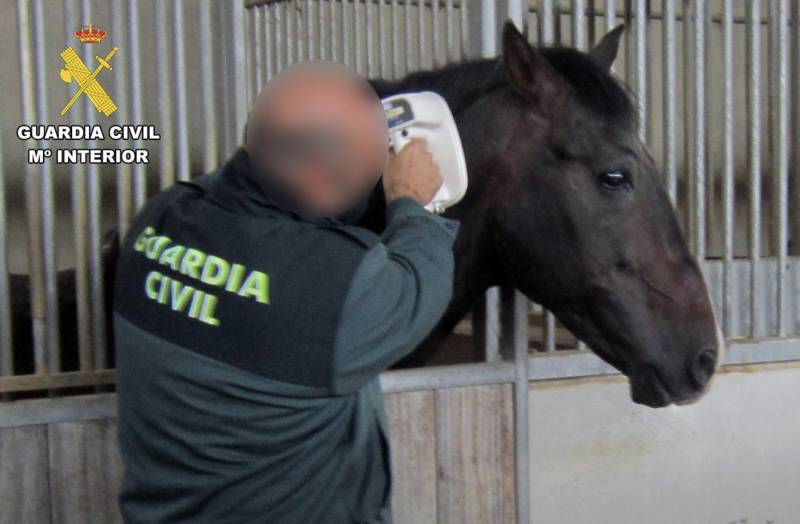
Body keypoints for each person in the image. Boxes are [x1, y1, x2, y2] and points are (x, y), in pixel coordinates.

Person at [113, 60, 460, 523]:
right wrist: (410, 202)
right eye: (369, 168)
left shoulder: (155, 220)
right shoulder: (333, 287)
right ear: (317, 183)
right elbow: (422, 283)